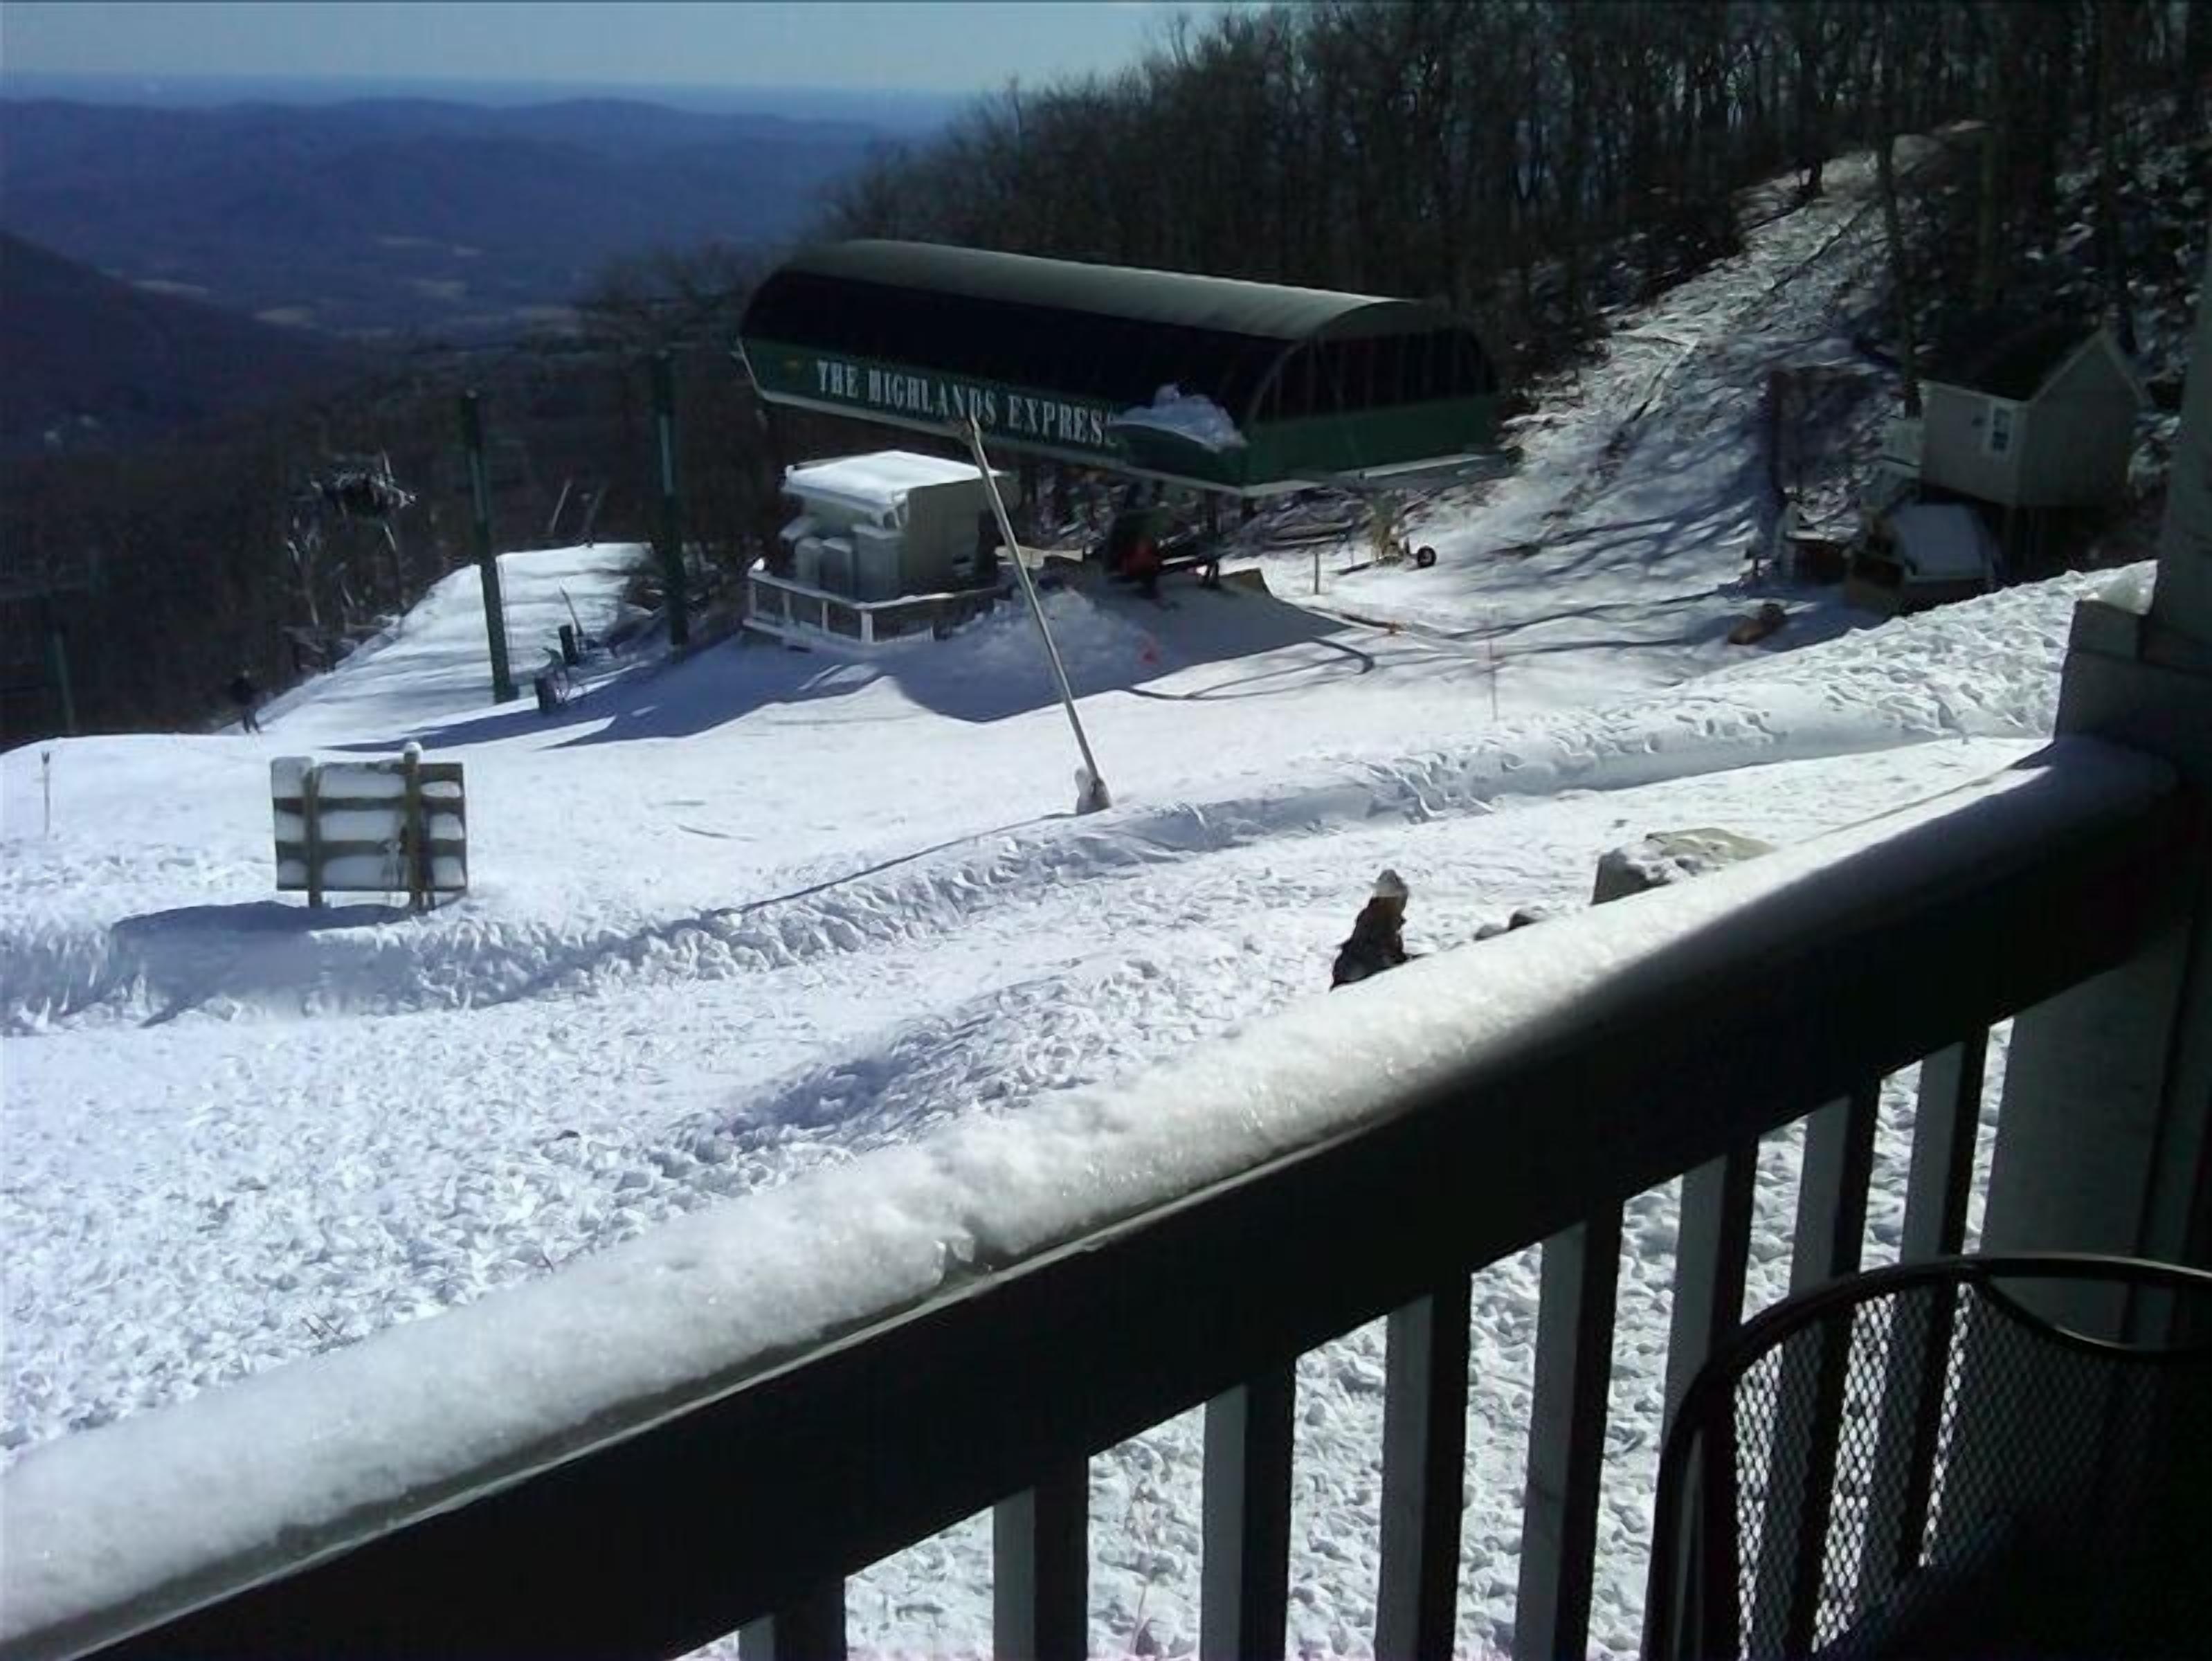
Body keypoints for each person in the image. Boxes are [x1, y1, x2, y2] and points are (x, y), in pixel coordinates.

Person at [1332, 868, 1413, 988]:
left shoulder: (1387, 920)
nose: (1403, 904)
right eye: (1401, 900)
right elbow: (1371, 953)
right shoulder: (1376, 920)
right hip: (1354, 976)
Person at [228, 669, 262, 734]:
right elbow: (234, 693)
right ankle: (252, 730)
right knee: (248, 717)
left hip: (246, 702)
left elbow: (250, 690)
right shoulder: (238, 684)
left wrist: (256, 691)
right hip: (243, 703)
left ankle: (252, 729)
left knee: (248, 716)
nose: (247, 676)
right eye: (245, 674)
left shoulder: (244, 683)